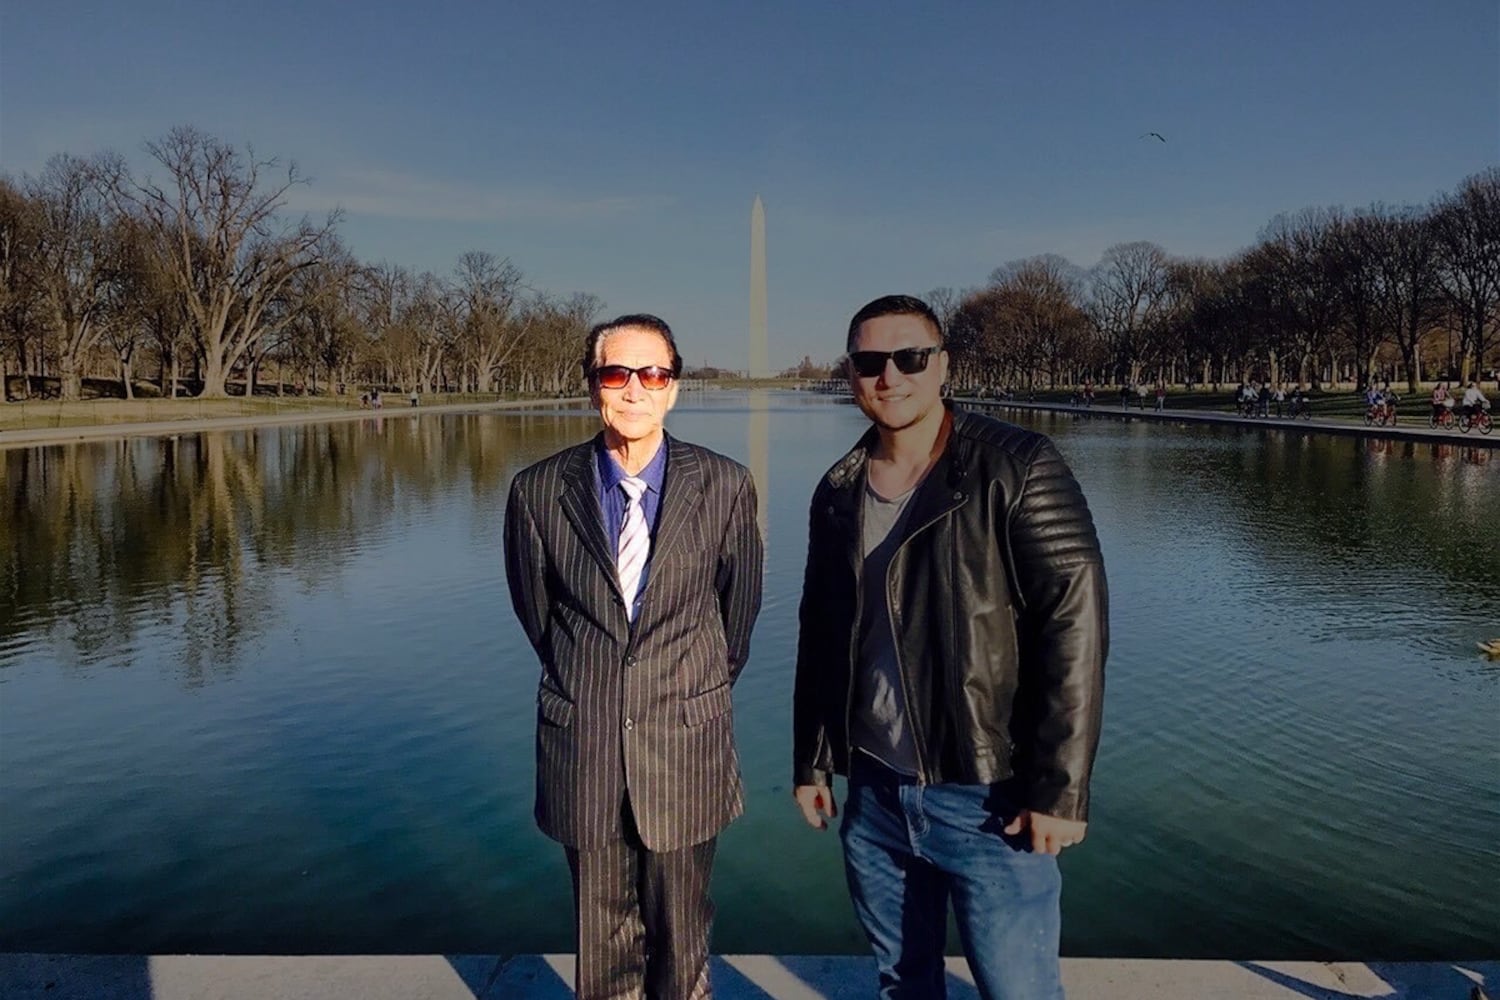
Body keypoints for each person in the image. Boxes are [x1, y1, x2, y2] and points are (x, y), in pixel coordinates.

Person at [792, 295, 1108, 1000]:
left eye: (910, 358)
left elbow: (1075, 624)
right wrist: (812, 758)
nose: (890, 377)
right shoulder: (838, 489)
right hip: (875, 792)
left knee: (1019, 990)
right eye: (870, 362)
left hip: (988, 793)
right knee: (902, 985)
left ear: (943, 366)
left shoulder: (1017, 464)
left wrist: (1061, 788)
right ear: (851, 373)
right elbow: (821, 630)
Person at [504, 314, 763, 1000]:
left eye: (653, 374)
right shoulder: (537, 491)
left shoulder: (726, 485)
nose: (635, 389)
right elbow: (538, 615)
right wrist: (594, 680)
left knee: (682, 938)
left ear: (674, 388)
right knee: (602, 943)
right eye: (617, 373)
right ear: (593, 385)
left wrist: (682, 690)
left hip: (684, 746)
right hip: (583, 742)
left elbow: (736, 620)